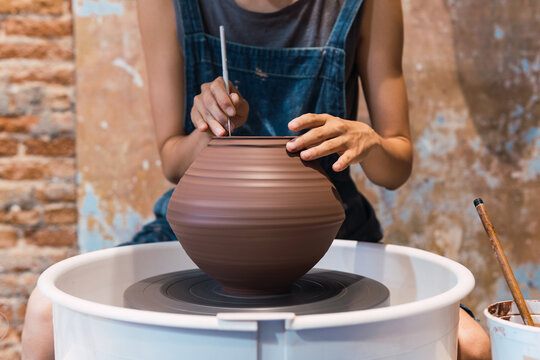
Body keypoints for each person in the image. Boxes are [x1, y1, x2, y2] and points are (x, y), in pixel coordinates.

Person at [21, 1, 491, 359]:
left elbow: (397, 168)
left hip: (329, 230)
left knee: (471, 344)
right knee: (45, 313)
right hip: (202, 230)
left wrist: (366, 141)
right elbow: (172, 159)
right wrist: (206, 131)